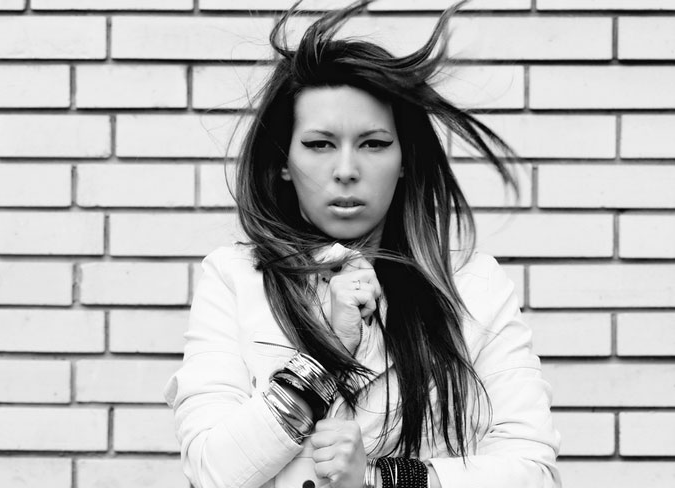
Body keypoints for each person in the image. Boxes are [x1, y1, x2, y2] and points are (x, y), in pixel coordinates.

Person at [164, 1, 561, 487]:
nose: (347, 170)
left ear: (404, 159)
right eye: (319, 144)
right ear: (282, 161)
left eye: (374, 143)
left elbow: (533, 471)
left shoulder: (474, 287)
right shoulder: (236, 279)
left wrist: (378, 480)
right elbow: (212, 470)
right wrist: (325, 356)